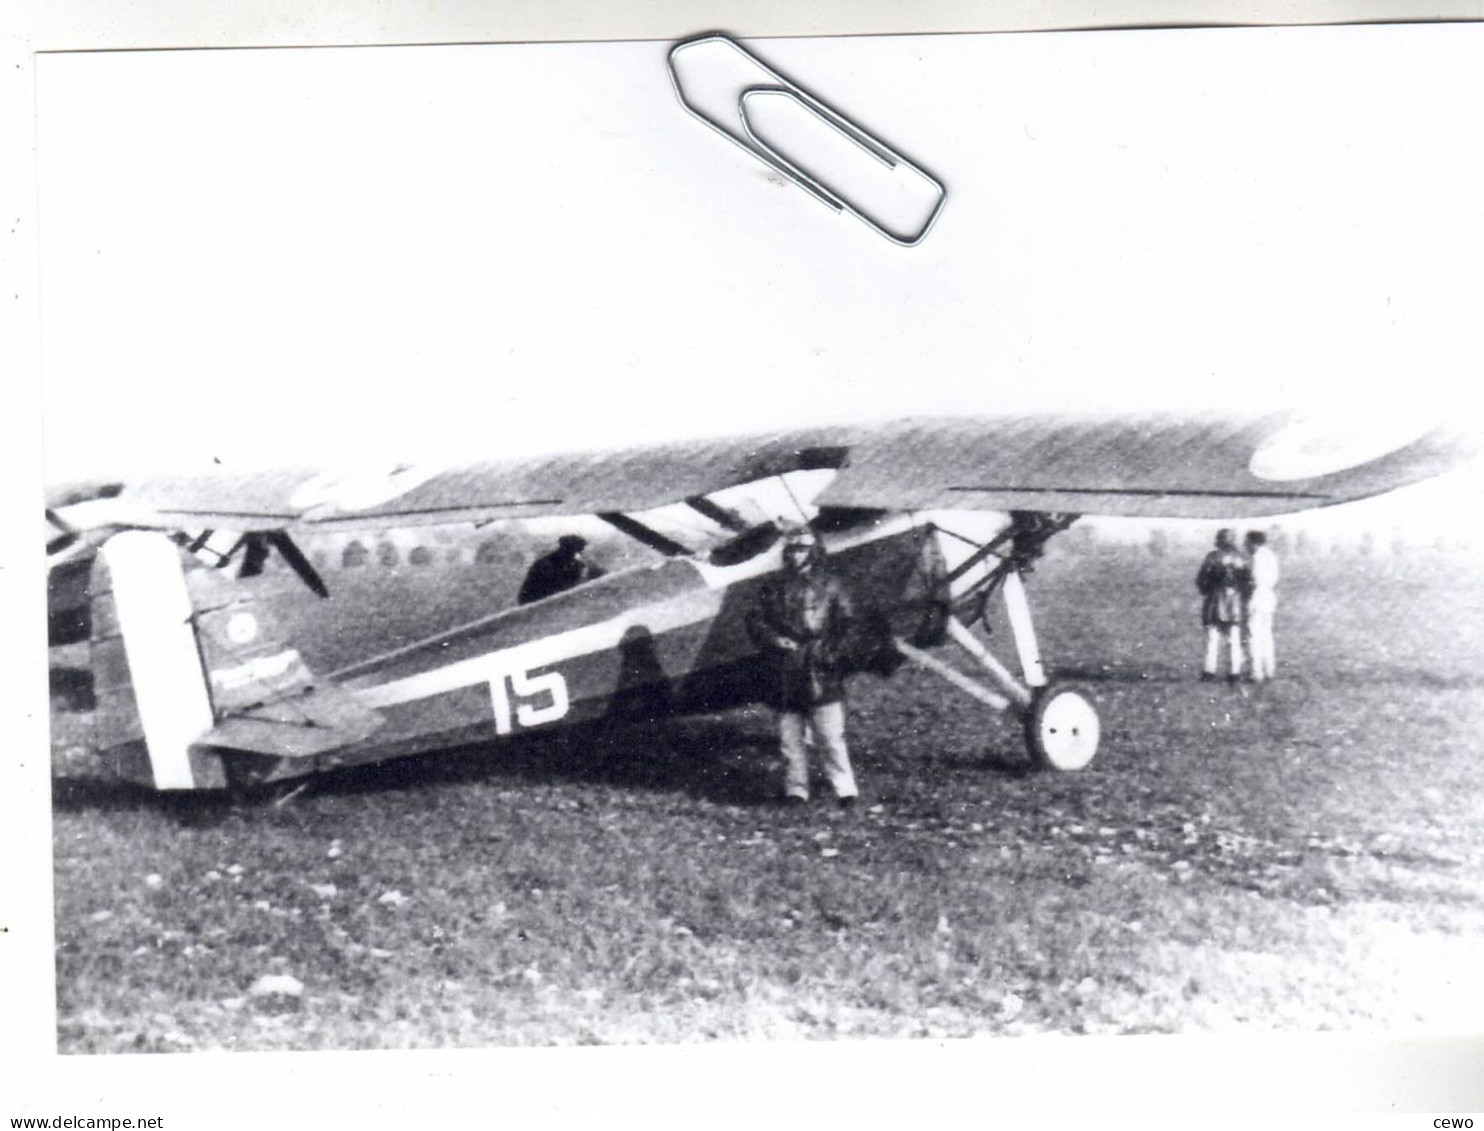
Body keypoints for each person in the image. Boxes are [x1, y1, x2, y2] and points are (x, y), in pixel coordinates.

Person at [746, 526, 860, 808]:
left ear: (815, 551)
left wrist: (831, 653)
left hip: (821, 666)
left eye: (803, 549)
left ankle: (845, 791)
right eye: (793, 549)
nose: (797, 555)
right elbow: (755, 621)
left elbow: (848, 624)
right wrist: (776, 640)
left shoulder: (832, 585)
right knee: (790, 739)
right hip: (786, 667)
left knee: (831, 735)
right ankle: (796, 791)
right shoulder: (773, 586)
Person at [1196, 528, 1249, 684]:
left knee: (1212, 637)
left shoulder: (1213, 557)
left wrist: (1209, 590)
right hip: (1236, 601)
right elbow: (1248, 582)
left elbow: (1201, 581)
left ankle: (1209, 672)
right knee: (1234, 637)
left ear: (1219, 541)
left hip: (1215, 599)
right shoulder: (1242, 558)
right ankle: (1234, 673)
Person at [517, 534, 606, 605]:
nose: (580, 555)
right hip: (538, 604)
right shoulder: (547, 564)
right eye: (579, 551)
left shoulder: (571, 564)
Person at [1243, 529, 1280, 681]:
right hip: (1269, 597)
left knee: (1253, 636)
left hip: (1257, 597)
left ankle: (1256, 672)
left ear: (1253, 542)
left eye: (1247, 542)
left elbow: (1253, 579)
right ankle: (1269, 670)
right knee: (1266, 636)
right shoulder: (1271, 556)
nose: (1245, 545)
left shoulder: (1256, 557)